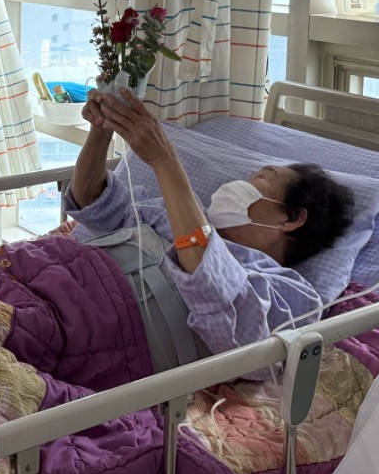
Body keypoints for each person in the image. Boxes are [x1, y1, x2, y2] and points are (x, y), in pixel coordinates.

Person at [67, 87, 356, 356]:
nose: (241, 183)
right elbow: (92, 201)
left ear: (291, 218)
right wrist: (101, 130)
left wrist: (165, 160)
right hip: (65, 276)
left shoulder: (291, 293)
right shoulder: (171, 214)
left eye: (262, 179)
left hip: (85, 320)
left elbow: (217, 298)